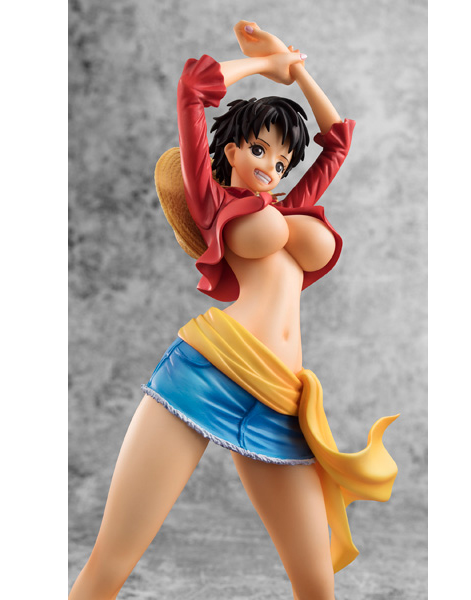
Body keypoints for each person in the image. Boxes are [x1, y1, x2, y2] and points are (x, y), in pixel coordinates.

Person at [69, 21, 398, 600]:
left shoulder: (292, 207)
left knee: (316, 584)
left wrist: (295, 68)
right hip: (208, 373)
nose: (272, 164)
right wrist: (263, 68)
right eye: (259, 149)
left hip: (280, 399)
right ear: (231, 151)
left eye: (283, 159)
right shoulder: (214, 200)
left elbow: (338, 140)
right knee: (112, 559)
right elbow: (193, 89)